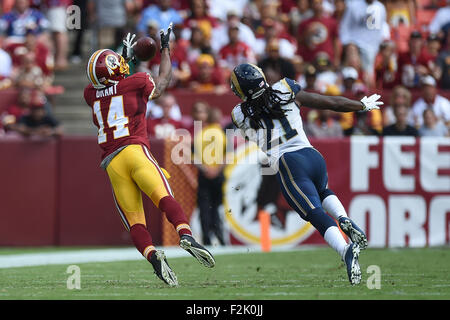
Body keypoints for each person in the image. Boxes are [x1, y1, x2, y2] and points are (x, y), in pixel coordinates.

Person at [83, 25, 215, 287]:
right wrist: (165, 49)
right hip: (135, 151)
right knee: (164, 197)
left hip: (112, 163)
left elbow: (108, 85)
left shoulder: (90, 95)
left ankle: (153, 255)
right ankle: (185, 234)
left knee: (135, 222)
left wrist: (124, 59)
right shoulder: (138, 81)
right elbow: (164, 80)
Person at [230, 63, 383, 285]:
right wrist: (361, 105)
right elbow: (330, 102)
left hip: (288, 162)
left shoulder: (239, 114)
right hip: (312, 155)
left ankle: (345, 250)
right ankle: (343, 218)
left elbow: (251, 127)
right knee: (322, 191)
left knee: (314, 213)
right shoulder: (285, 89)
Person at [193, 107, 226, 246]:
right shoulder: (222, 134)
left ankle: (206, 238)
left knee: (204, 207)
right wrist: (217, 169)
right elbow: (227, 156)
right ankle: (219, 236)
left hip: (204, 175)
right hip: (218, 175)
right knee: (217, 207)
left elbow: (195, 158)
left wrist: (206, 169)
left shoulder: (200, 135)